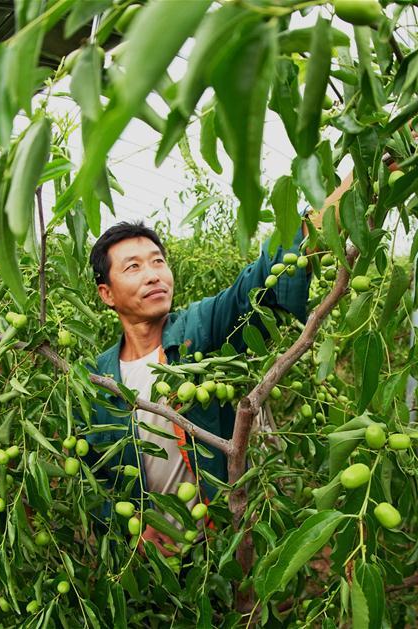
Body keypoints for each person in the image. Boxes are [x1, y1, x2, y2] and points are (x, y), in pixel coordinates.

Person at [81, 174, 353, 556]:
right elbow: (93, 476)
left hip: (219, 547)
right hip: (148, 564)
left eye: (158, 262)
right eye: (133, 268)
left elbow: (261, 283)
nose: (153, 275)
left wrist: (354, 185)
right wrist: (132, 529)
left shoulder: (199, 329)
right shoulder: (99, 381)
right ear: (106, 294)